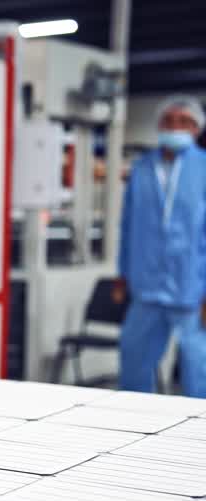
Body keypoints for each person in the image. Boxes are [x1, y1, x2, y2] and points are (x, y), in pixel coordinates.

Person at [116, 96, 206, 396]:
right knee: (134, 360)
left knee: (199, 367)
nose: (175, 127)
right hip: (146, 287)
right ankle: (136, 425)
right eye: (168, 121)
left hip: (191, 290)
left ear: (196, 128)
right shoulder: (142, 168)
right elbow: (127, 226)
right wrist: (123, 274)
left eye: (183, 121)